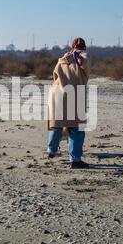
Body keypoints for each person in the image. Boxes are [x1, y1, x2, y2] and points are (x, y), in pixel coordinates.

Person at [47, 38, 90, 169]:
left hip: (57, 93)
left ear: (72, 47)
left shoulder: (61, 60)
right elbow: (83, 64)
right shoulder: (84, 58)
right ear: (84, 47)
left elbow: (55, 76)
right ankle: (75, 159)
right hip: (74, 94)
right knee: (76, 128)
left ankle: (52, 150)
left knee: (57, 124)